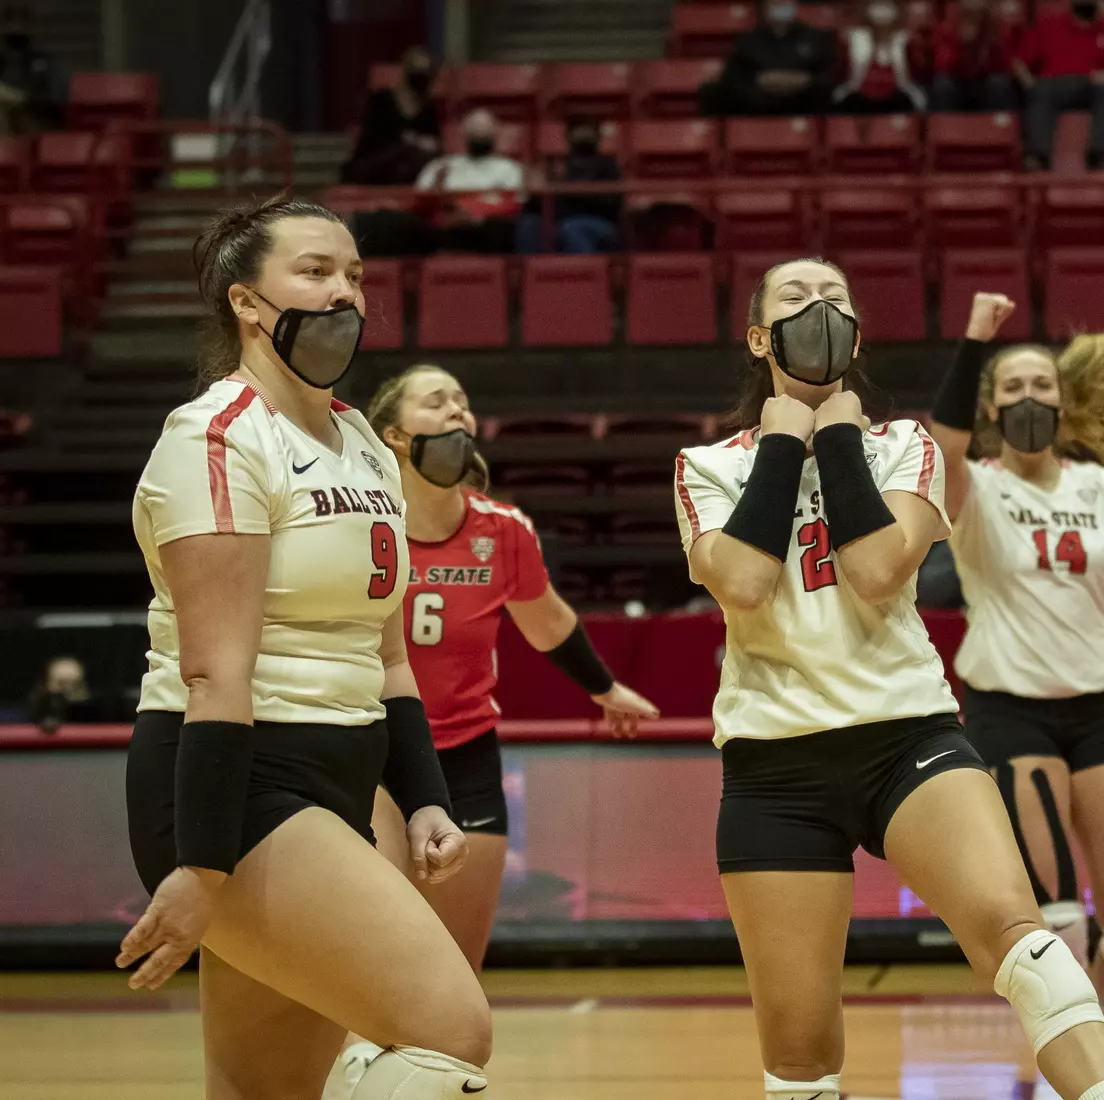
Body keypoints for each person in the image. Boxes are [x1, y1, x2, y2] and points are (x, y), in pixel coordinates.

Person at [674, 256, 1104, 1100]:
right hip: (773, 764)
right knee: (798, 1055)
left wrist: (837, 436)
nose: (819, 308)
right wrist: (782, 440)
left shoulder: (905, 446)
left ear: (856, 337)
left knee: (1022, 939)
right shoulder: (705, 464)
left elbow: (877, 570)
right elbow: (740, 582)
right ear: (758, 338)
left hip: (907, 739)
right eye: (796, 297)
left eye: (835, 298)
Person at [119, 197, 492, 1098]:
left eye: (354, 276)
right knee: (450, 1029)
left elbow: (389, 656)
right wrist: (203, 868)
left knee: (267, 1088)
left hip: (343, 772)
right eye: (316, 272)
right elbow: (214, 672)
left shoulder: (361, 439)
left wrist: (426, 798)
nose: (344, 294)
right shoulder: (216, 437)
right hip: (239, 787)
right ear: (246, 302)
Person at [316, 364, 660, 1093]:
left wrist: (605, 688)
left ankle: (430, 1080)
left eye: (464, 403)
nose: (458, 413)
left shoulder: (501, 530)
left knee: (454, 973)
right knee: (374, 953)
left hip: (466, 754)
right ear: (394, 435)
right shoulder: (358, 520)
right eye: (436, 401)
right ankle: (355, 1074)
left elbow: (548, 622)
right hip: (374, 752)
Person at [927, 293, 1104, 1094]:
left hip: (1100, 705)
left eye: (1042, 386)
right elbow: (942, 442)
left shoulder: (1102, 488)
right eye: (1013, 388)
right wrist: (976, 337)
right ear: (991, 407)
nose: (1028, 398)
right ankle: (1084, 1070)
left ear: (1062, 402)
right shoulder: (973, 486)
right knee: (1060, 924)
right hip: (1010, 709)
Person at [1014, 0, 1104, 171]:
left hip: (1091, 84)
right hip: (1053, 84)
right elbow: (1019, 63)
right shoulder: (1049, 27)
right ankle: (1038, 157)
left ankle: (1101, 155)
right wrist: (1030, 84)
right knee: (1040, 90)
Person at [415, 108, 526, 254]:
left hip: (487, 230)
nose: (479, 132)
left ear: (496, 131)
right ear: (463, 131)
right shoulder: (440, 166)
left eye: (484, 127)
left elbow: (514, 206)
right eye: (475, 127)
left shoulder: (510, 168)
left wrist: (469, 213)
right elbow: (420, 201)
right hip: (445, 227)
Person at [701, 0, 836, 117]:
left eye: (785, 1)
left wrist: (801, 81)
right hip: (756, 106)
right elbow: (733, 80)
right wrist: (760, 81)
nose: (780, 5)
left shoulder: (816, 39)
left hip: (803, 105)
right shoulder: (746, 42)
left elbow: (827, 78)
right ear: (764, 6)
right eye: (775, 2)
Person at [342, 46, 441, 185]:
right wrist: (408, 141)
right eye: (416, 70)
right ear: (405, 71)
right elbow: (373, 140)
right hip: (374, 167)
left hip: (409, 174)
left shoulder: (429, 112)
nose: (420, 77)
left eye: (425, 72)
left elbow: (435, 144)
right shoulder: (381, 100)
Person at [833, 0, 929, 114]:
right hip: (860, 95)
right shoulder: (856, 36)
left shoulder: (903, 39)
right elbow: (844, 72)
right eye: (877, 6)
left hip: (896, 95)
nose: (882, 13)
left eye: (887, 7)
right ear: (867, 10)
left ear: (897, 11)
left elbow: (913, 74)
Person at [928, 0, 1018, 112]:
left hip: (984, 82)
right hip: (957, 81)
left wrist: (985, 47)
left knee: (999, 84)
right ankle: (944, 123)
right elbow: (942, 66)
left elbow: (1002, 66)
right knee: (942, 85)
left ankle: (1001, 122)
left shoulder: (994, 29)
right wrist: (962, 46)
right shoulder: (948, 27)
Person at [550, 117, 623, 254]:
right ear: (568, 136)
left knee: (575, 229)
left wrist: (577, 193)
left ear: (597, 136)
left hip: (602, 223)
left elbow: (613, 202)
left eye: (587, 129)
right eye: (578, 129)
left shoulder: (608, 165)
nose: (583, 133)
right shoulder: (561, 166)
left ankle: (584, 267)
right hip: (565, 222)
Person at [0, 2, 63, 134]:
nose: (16, 29)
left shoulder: (45, 61)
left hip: (35, 119)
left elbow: (56, 96)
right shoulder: (3, 60)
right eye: (11, 24)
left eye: (21, 24)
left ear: (31, 27)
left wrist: (22, 100)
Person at [27, 654, 119, 732]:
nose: (69, 690)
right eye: (61, 684)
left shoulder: (102, 722)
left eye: (76, 685)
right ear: (45, 685)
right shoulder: (23, 720)